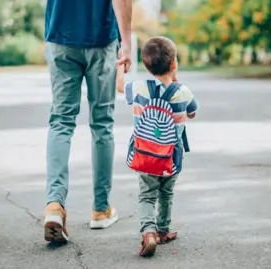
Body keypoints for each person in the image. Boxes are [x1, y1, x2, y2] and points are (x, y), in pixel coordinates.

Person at [43, 0, 132, 243]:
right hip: (100, 39)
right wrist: (126, 42)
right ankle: (101, 210)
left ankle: (54, 205)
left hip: (60, 35)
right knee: (102, 124)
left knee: (61, 121)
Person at [116, 36, 199, 257]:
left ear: (146, 65)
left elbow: (118, 87)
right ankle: (163, 230)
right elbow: (192, 113)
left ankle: (148, 233)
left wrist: (119, 67)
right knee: (166, 193)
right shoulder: (183, 92)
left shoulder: (139, 88)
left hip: (144, 155)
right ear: (174, 64)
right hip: (171, 156)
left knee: (146, 195)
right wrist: (176, 81)